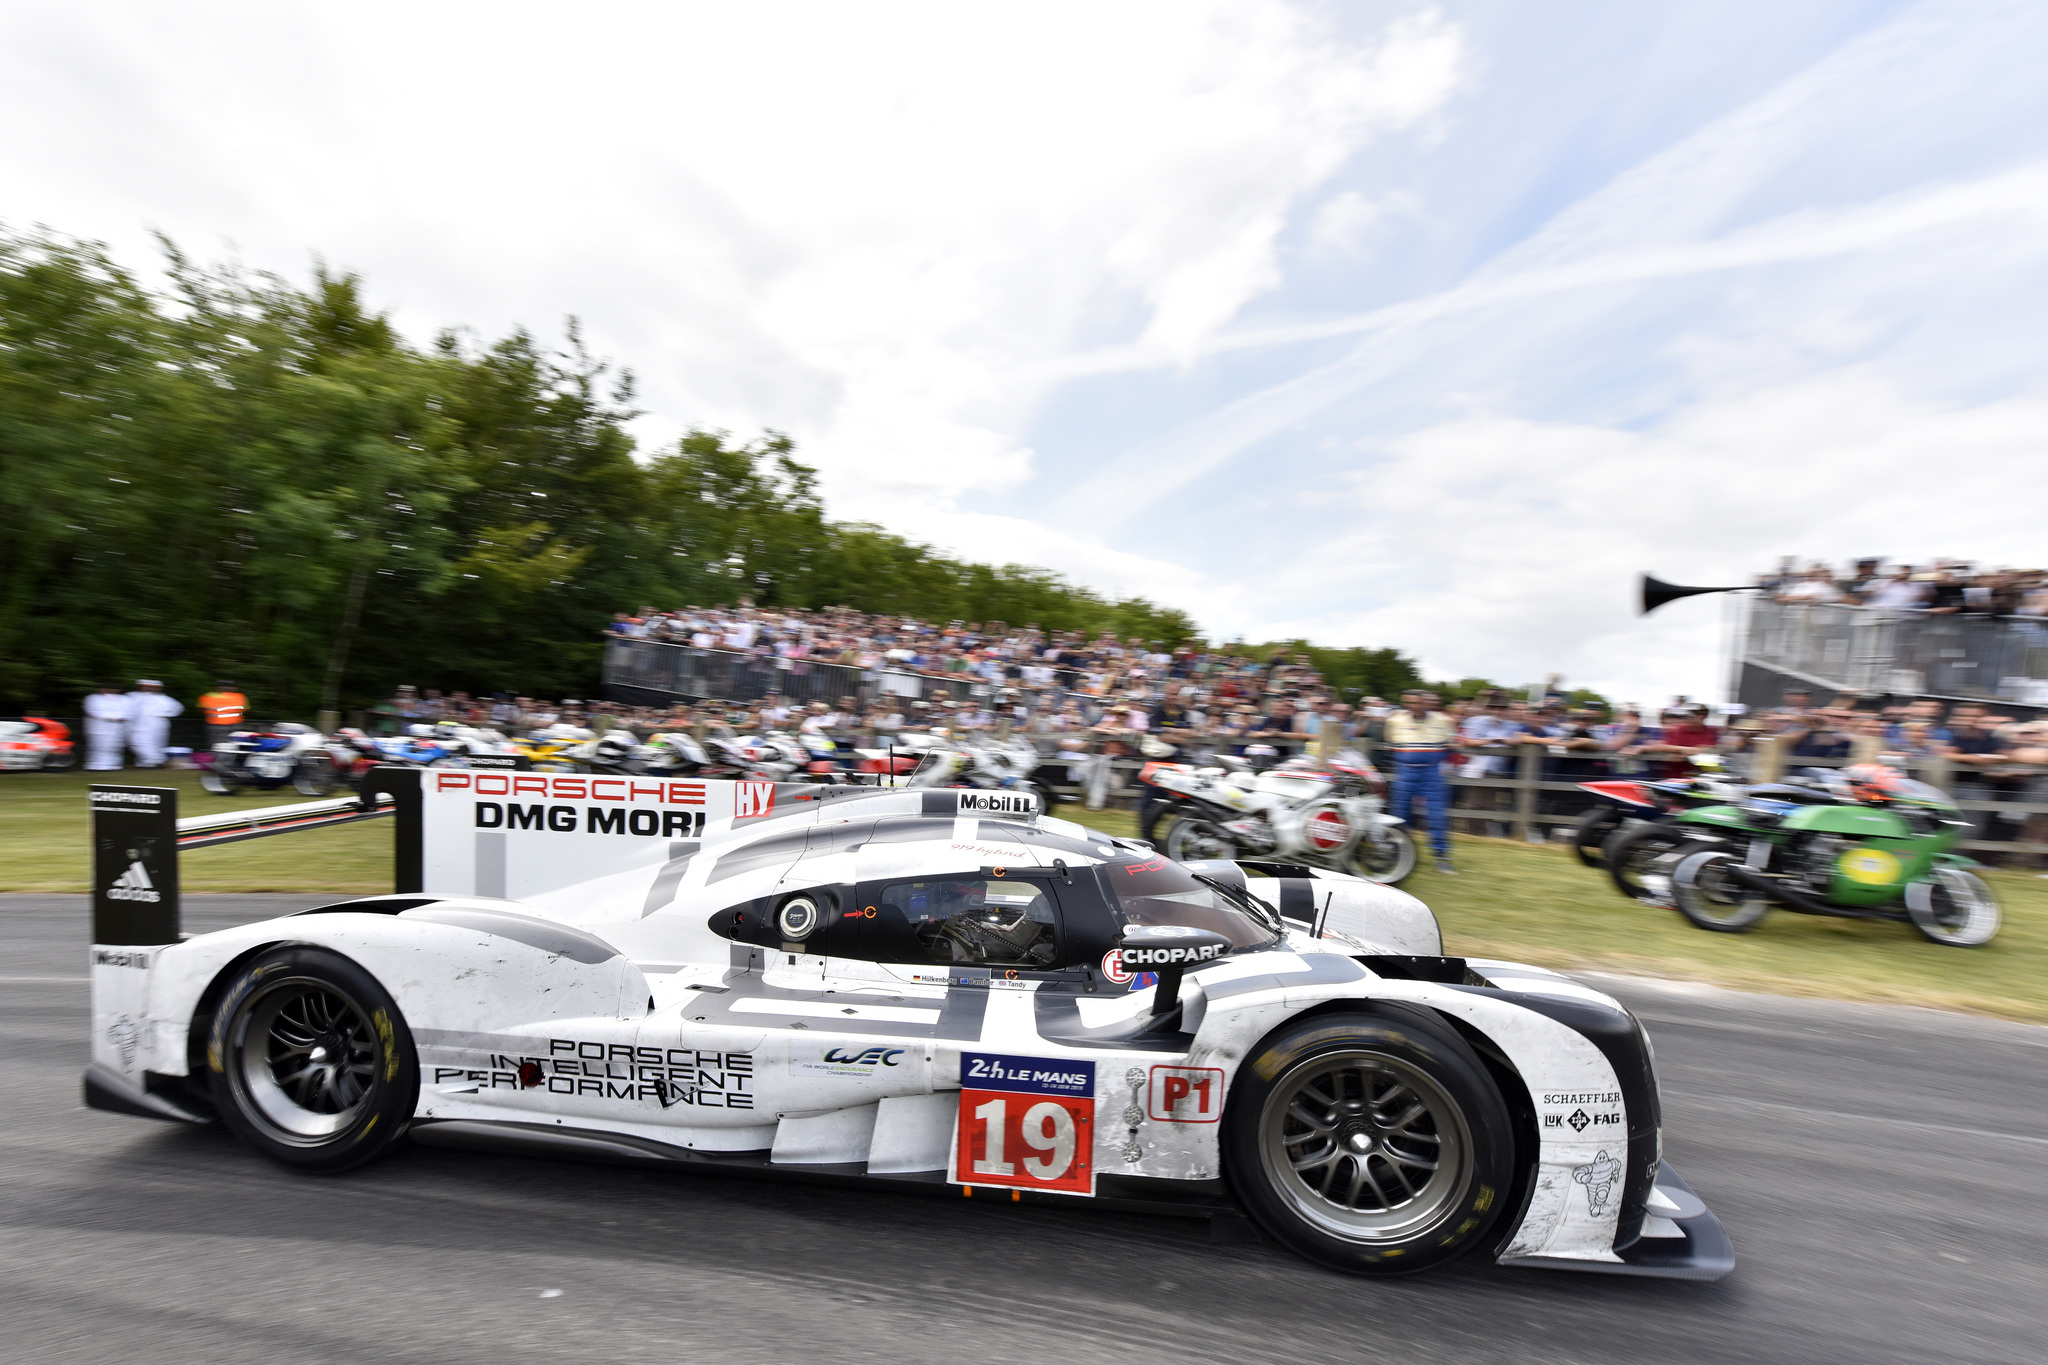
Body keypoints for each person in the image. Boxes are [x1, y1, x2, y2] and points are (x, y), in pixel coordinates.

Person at [1384, 689, 1458, 874]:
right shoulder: (1395, 720)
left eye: (1416, 702)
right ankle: (1398, 853)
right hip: (1406, 771)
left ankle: (1442, 856)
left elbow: (1451, 745)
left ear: (1425, 703)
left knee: (1437, 815)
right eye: (1408, 703)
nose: (1413, 707)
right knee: (1400, 813)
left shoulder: (1443, 720)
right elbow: (1390, 744)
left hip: (1432, 772)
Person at [124, 680, 184, 769]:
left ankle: (148, 764)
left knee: (157, 744)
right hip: (138, 726)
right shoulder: (132, 696)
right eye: (145, 686)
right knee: (138, 743)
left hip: (158, 725)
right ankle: (159, 760)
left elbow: (178, 708)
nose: (148, 688)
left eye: (152, 687)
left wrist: (164, 714)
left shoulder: (165, 699)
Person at [83, 683, 130, 771]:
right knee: (98, 746)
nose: (109, 691)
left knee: (115, 747)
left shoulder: (124, 699)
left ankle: (114, 765)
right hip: (98, 727)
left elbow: (128, 712)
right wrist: (113, 717)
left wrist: (117, 717)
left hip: (117, 728)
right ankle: (96, 765)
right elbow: (94, 711)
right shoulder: (93, 698)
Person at [196, 679, 249, 752]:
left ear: (218, 687)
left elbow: (200, 708)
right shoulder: (240, 697)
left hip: (216, 726)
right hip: (235, 725)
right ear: (234, 688)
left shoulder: (207, 696)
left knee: (217, 745)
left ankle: (216, 760)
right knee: (235, 745)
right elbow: (245, 709)